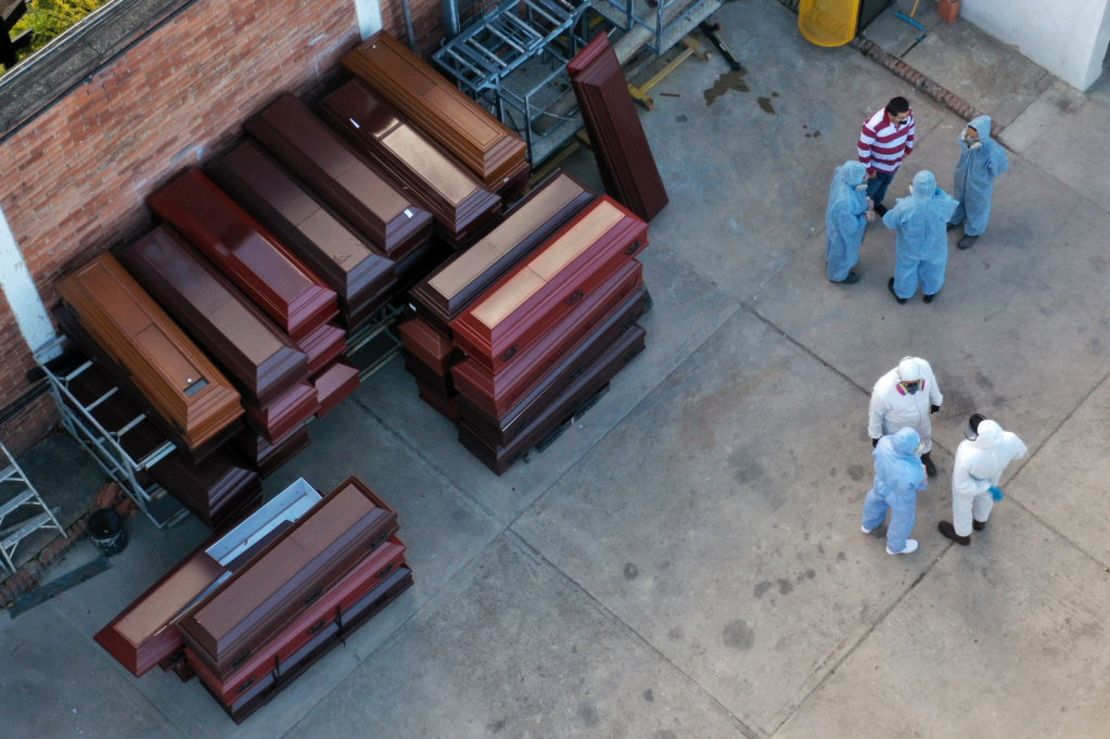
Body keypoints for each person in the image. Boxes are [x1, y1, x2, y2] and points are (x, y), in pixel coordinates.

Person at [938, 414, 1027, 545]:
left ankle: (962, 534)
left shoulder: (967, 452)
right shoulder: (1010, 438)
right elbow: (1020, 453)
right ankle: (980, 521)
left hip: (973, 478)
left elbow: (960, 485)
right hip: (994, 474)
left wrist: (981, 486)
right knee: (987, 496)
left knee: (962, 504)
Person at [882, 170, 959, 304]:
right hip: (935, 247)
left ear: (914, 187)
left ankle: (902, 294)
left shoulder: (905, 206)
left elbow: (889, 222)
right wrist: (936, 192)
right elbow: (949, 204)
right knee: (934, 268)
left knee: (906, 269)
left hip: (910, 248)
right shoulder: (942, 204)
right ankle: (931, 292)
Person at [868, 356, 943, 477]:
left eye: (916, 384)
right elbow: (875, 414)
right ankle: (902, 468)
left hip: (922, 421)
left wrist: (936, 401)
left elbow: (932, 384)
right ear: (899, 379)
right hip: (897, 429)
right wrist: (875, 435)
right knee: (900, 450)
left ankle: (924, 458)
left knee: (923, 441)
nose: (913, 388)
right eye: (908, 385)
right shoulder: (883, 390)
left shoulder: (924, 369)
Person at [861, 427, 927, 555]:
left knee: (874, 502)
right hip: (901, 497)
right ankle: (895, 546)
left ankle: (868, 524)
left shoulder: (884, 443)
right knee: (902, 519)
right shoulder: (915, 471)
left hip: (881, 483)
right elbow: (921, 486)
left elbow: (878, 454)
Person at [949, 115, 1009, 250]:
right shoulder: (967, 141)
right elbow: (962, 143)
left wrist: (987, 172)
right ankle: (956, 219)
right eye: (969, 130)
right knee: (958, 199)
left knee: (977, 207)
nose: (970, 134)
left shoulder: (991, 150)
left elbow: (1001, 166)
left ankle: (973, 232)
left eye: (974, 132)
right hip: (962, 179)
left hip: (978, 185)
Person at [858, 96, 916, 217]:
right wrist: (869, 169)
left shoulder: (907, 113)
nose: (906, 118)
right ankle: (860, 211)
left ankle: (877, 204)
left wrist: (908, 148)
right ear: (890, 115)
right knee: (869, 191)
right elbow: (863, 148)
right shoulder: (873, 126)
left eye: (906, 115)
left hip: (894, 164)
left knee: (884, 186)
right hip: (877, 168)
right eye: (901, 118)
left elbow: (911, 128)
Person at [826, 161, 875, 284]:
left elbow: (857, 188)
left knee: (833, 246)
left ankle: (830, 261)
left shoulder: (843, 173)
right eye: (863, 177)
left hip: (834, 222)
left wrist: (866, 200)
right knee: (843, 252)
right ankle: (837, 276)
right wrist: (866, 216)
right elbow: (850, 227)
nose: (867, 177)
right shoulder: (845, 204)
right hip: (843, 232)